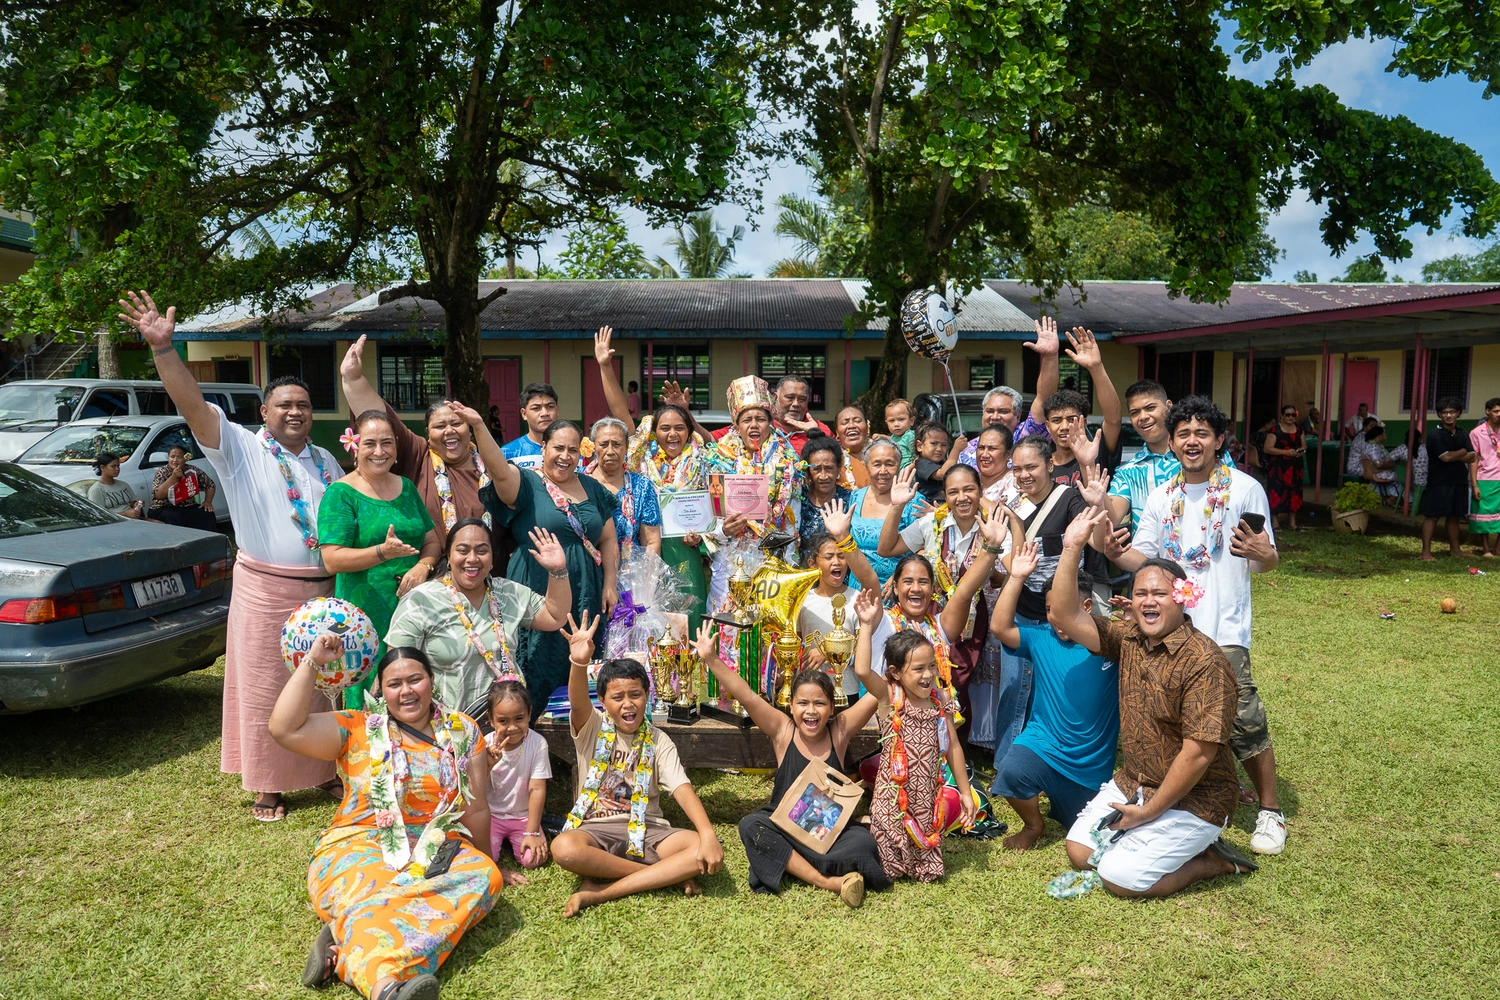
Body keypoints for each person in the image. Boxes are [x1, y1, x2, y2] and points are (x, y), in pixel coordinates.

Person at [119, 290, 342, 823]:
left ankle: (329, 769)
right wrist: (164, 351)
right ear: (264, 411)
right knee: (267, 684)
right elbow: (192, 406)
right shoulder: (240, 447)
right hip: (266, 586)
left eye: (303, 406)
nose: (295, 412)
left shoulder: (327, 459)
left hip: (324, 588)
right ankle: (269, 784)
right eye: (283, 405)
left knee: (327, 683)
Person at [1101, 395, 1286, 855]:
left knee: (1242, 717)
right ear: (1172, 438)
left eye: (1202, 433)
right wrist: (1108, 550)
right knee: (1184, 722)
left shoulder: (1244, 489)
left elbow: (1264, 560)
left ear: (1219, 440)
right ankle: (1203, 796)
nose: (1192, 441)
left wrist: (1267, 555)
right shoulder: (1165, 496)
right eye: (1183, 433)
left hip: (1223, 627)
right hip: (1172, 630)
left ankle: (1270, 810)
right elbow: (1142, 557)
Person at [270, 638, 500, 1000]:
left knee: (484, 875)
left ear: (432, 680)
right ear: (381, 690)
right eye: (395, 684)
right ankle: (385, 986)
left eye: (415, 679)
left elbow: (477, 807)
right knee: (375, 890)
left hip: (434, 847)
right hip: (357, 845)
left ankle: (344, 948)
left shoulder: (464, 731)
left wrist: (487, 856)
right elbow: (284, 728)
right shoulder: (357, 728)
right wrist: (312, 662)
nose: (406, 691)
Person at [1048, 520, 1258, 898]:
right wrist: (1072, 547)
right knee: (1081, 852)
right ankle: (1155, 836)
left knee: (1119, 877)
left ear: (1182, 597)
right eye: (1140, 592)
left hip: (1199, 797)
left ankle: (1215, 861)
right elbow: (1064, 615)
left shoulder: (1204, 662)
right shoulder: (1129, 638)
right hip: (1136, 783)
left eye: (1159, 593)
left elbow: (1197, 755)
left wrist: (1148, 813)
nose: (1147, 600)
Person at [693, 623, 887, 904]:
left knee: (863, 843)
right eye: (803, 703)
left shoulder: (839, 732)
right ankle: (826, 880)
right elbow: (746, 695)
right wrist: (711, 659)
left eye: (819, 704)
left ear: (832, 708)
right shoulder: (783, 732)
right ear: (791, 706)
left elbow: (874, 693)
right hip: (787, 830)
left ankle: (792, 865)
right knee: (752, 825)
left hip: (828, 834)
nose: (811, 711)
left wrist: (871, 632)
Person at [550, 612, 725, 917]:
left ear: (647, 696)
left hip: (648, 831)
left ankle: (601, 891)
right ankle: (661, 874)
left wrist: (708, 834)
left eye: (636, 694)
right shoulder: (592, 727)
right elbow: (578, 702)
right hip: (595, 831)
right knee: (563, 848)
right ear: (603, 701)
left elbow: (682, 790)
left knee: (698, 847)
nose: (628, 703)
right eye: (617, 697)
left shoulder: (659, 740)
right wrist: (579, 662)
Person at [480, 420, 620, 715]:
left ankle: (579, 730)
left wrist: (609, 583)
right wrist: (479, 426)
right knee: (536, 655)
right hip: (537, 584)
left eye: (572, 450)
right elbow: (497, 469)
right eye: (558, 447)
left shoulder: (592, 487)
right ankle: (528, 733)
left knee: (580, 653)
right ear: (543, 448)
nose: (565, 456)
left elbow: (608, 539)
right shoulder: (527, 483)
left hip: (586, 589)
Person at [989, 538, 1118, 850]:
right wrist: (1017, 577)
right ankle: (1034, 825)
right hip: (1042, 745)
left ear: (1086, 607)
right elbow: (1000, 627)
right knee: (1010, 770)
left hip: (1091, 768)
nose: (1056, 618)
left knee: (1091, 833)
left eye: (1063, 609)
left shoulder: (1112, 640)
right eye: (1050, 610)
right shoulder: (1042, 637)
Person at [318, 409, 443, 709]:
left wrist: (422, 567)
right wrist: (381, 553)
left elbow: (431, 540)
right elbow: (331, 560)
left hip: (413, 608)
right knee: (368, 701)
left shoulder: (407, 488)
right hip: (364, 616)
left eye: (387, 443)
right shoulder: (340, 494)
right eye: (370, 443)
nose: (379, 451)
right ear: (354, 446)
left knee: (413, 688)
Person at [851, 591, 978, 882]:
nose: (927, 675)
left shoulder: (940, 699)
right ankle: (868, 826)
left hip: (927, 801)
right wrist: (867, 625)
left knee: (930, 873)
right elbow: (861, 670)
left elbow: (954, 748)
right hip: (892, 801)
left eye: (932, 666)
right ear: (895, 672)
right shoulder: (889, 696)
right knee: (890, 872)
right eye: (918, 669)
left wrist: (965, 792)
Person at [385, 519, 570, 717]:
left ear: (492, 559)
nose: (472, 558)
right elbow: (396, 666)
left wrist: (557, 570)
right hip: (447, 729)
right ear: (448, 556)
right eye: (463, 551)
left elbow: (555, 616)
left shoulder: (507, 593)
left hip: (506, 726)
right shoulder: (420, 601)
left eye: (482, 551)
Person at [991, 435, 1101, 767]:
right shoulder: (1014, 505)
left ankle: (1053, 759)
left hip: (1064, 622)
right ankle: (1006, 763)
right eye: (1017, 468)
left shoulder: (1069, 499)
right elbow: (1014, 566)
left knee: (1057, 694)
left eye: (1031, 467)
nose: (1024, 475)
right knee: (1013, 691)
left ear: (1050, 465)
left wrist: (1098, 500)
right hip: (1023, 614)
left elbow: (1094, 538)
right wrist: (1012, 521)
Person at [593, 327, 711, 634]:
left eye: (680, 428)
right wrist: (605, 366)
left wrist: (703, 538)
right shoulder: (641, 459)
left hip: (685, 551)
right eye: (664, 428)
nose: (672, 434)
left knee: (686, 626)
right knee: (646, 628)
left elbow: (715, 508)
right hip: (643, 556)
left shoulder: (702, 461)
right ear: (653, 433)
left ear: (689, 432)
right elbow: (621, 416)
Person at [340, 337, 507, 551]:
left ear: (470, 429)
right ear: (428, 435)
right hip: (431, 573)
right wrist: (353, 380)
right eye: (439, 426)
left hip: (488, 572)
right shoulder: (417, 455)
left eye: (456, 423)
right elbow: (384, 420)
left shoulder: (491, 462)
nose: (449, 431)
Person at [865, 510, 1011, 734]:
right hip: (892, 732)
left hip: (936, 731)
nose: (916, 588)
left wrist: (991, 547)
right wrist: (844, 539)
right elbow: (868, 578)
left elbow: (964, 592)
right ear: (895, 587)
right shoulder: (881, 620)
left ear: (933, 589)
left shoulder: (939, 627)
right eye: (908, 582)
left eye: (923, 582)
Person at [705, 376, 802, 613]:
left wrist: (782, 562)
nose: (754, 425)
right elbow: (707, 520)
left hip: (771, 563)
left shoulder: (788, 462)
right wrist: (724, 530)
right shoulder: (718, 461)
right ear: (736, 426)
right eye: (746, 419)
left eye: (760, 418)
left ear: (771, 423)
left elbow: (793, 520)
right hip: (729, 562)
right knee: (726, 629)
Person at [797, 500, 880, 699]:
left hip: (847, 691)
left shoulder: (857, 600)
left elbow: (862, 649)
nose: (837, 562)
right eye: (829, 557)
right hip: (809, 690)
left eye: (842, 556)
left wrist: (828, 652)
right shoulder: (803, 601)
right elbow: (796, 642)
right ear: (812, 563)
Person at [483, 680, 552, 885]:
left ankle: (518, 836)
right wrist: (487, 764)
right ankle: (498, 845)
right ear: (491, 720)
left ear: (529, 714)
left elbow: (537, 788)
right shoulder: (484, 744)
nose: (512, 727)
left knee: (532, 859)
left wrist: (532, 831)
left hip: (522, 816)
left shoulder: (537, 743)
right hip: (491, 815)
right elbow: (474, 790)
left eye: (519, 718)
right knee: (485, 860)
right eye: (503, 721)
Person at [587, 416, 662, 556]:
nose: (610, 451)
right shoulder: (578, 480)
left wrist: (645, 576)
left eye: (616, 444)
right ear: (593, 447)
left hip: (630, 572)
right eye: (603, 444)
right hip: (586, 570)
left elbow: (652, 542)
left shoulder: (641, 486)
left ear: (627, 446)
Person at [1107, 379, 1176, 530]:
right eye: (1135, 412)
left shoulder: (1201, 457)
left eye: (1150, 408)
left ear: (1168, 407)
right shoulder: (1129, 471)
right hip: (1144, 554)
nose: (1143, 417)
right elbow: (1112, 518)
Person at [846, 437, 911, 588]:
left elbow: (924, 549)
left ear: (899, 466)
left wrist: (899, 576)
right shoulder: (855, 497)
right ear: (866, 466)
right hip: (858, 587)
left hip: (898, 589)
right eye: (876, 464)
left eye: (890, 464)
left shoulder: (911, 500)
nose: (883, 471)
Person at [1420, 397, 1476, 560]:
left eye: (1452, 412)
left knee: (1455, 516)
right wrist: (1462, 451)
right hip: (1439, 481)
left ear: (1458, 413)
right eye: (1444, 412)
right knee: (1432, 516)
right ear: (1439, 415)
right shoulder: (1435, 435)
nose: (1448, 415)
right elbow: (1446, 458)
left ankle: (1455, 549)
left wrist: (1457, 454)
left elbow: (1472, 457)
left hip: (1458, 480)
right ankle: (1425, 552)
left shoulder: (1462, 433)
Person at [147, 444, 218, 531]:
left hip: (187, 506)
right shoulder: (162, 472)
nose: (175, 460)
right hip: (164, 507)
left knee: (206, 513)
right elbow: (158, 495)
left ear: (185, 458)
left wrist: (208, 502)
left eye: (179, 457)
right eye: (172, 457)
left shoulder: (192, 470)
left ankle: (209, 541)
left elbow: (210, 485)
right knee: (176, 517)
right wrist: (174, 477)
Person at [1261, 404, 1307, 528]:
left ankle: (1293, 523)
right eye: (1288, 415)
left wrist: (1300, 451)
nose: (1291, 417)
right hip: (1278, 466)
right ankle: (1275, 522)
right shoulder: (1275, 430)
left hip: (1295, 466)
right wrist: (1285, 452)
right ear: (1282, 416)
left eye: (1293, 415)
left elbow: (1304, 445)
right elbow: (1267, 448)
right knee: (1276, 491)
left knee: (1295, 492)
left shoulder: (1299, 429)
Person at [798, 436, 853, 539]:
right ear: (808, 471)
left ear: (838, 467)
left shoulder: (850, 500)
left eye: (829, 468)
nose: (823, 476)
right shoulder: (798, 499)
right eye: (817, 469)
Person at [957, 385, 1024, 469]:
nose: (995, 417)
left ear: (1018, 416)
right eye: (990, 411)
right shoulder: (967, 451)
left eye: (1003, 411)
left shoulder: (1025, 437)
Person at [500, 382, 560, 471]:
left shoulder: (577, 452)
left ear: (557, 410)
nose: (544, 413)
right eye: (536, 408)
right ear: (524, 414)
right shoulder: (507, 453)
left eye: (550, 407)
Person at [1470, 397, 1500, 557]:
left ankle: (1498, 548)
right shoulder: (1477, 433)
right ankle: (1486, 548)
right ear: (1488, 412)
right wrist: (1474, 484)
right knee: (1483, 514)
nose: (1499, 414)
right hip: (1485, 478)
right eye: (1496, 411)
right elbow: (1473, 460)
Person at [771, 375, 831, 455]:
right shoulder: (764, 427)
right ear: (775, 398)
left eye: (802, 399)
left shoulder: (821, 430)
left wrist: (815, 435)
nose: (796, 404)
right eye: (790, 397)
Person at [1353, 420, 1403, 505]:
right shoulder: (1374, 448)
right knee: (1403, 478)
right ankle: (1393, 498)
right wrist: (1394, 465)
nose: (1385, 436)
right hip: (1378, 473)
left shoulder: (1370, 446)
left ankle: (1383, 496)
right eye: (1384, 434)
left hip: (1372, 472)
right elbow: (1379, 464)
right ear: (1379, 436)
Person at [911, 421, 962, 504]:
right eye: (934, 443)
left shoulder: (942, 463)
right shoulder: (921, 463)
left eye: (944, 445)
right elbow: (941, 474)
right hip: (928, 507)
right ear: (919, 446)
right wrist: (956, 450)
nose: (939, 449)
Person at [88, 451, 143, 517]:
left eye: (118, 466)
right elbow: (99, 515)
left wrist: (136, 504)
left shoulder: (123, 484)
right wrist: (125, 514)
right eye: (113, 466)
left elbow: (131, 502)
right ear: (102, 467)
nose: (117, 469)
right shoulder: (96, 490)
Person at [835, 405, 871, 487]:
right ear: (837, 432)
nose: (851, 426)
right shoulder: (834, 460)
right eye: (845, 422)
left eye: (857, 421)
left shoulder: (882, 452)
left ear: (867, 427)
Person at [884, 398, 917, 467]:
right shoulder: (893, 437)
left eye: (901, 419)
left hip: (908, 472)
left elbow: (918, 456)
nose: (896, 424)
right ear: (886, 423)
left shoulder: (910, 436)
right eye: (892, 421)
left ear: (911, 421)